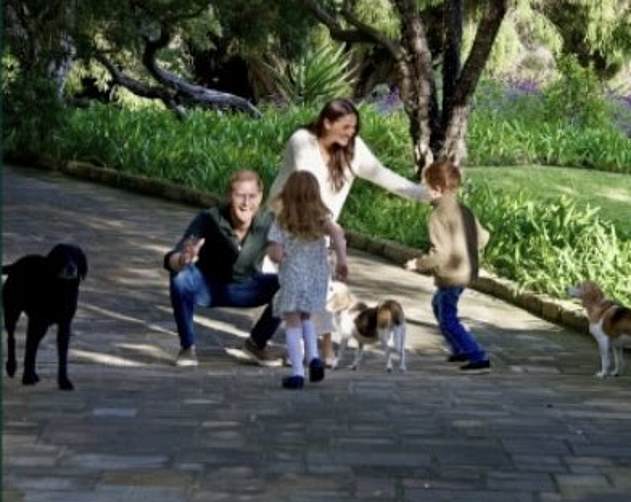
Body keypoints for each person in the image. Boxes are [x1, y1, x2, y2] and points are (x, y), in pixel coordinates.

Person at [243, 97, 431, 366]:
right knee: (283, 286)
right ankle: (288, 347)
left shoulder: (354, 150)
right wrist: (330, 227)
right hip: (284, 223)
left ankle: (284, 347)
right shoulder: (302, 141)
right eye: (345, 127)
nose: (351, 133)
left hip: (318, 230)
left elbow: (383, 175)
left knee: (303, 289)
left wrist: (423, 193)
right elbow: (309, 187)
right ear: (327, 122)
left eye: (354, 127)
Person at [164, 169, 282, 367]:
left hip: (247, 287)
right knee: (180, 277)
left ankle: (256, 344)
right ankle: (187, 347)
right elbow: (171, 258)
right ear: (229, 196)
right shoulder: (209, 218)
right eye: (239, 196)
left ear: (260, 197)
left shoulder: (268, 222)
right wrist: (183, 259)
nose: (246, 203)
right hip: (207, 287)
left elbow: (283, 253)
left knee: (289, 284)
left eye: (252, 196)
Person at [404, 159, 491, 373]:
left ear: (437, 189)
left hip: (451, 275)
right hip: (467, 271)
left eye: (426, 186)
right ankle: (459, 349)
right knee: (439, 305)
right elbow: (483, 238)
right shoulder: (464, 210)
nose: (424, 189)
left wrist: (418, 264)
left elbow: (440, 254)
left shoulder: (437, 216)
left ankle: (476, 354)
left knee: (448, 317)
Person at [267, 171, 348, 389]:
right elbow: (339, 236)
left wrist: (279, 257)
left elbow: (275, 253)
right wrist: (342, 260)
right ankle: (313, 358)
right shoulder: (322, 219)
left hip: (293, 276)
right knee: (307, 317)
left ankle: (297, 373)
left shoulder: (282, 222)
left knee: (292, 322)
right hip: (317, 278)